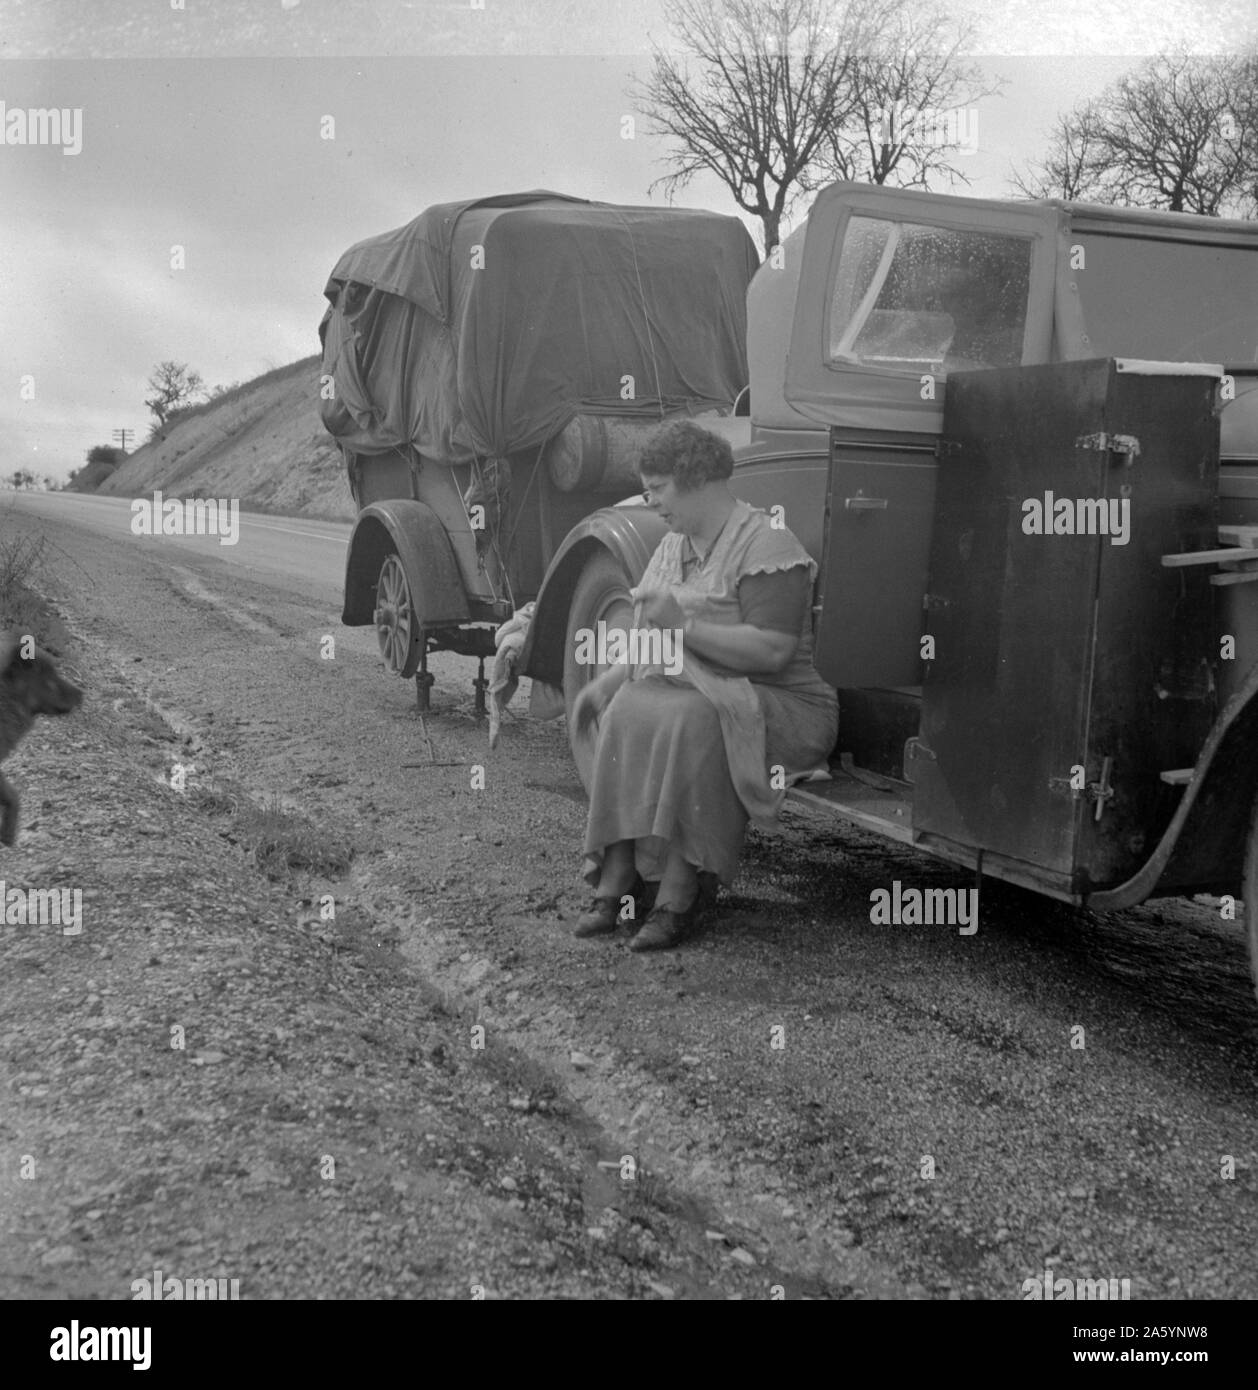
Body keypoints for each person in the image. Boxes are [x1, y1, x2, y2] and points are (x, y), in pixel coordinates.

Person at [570, 420, 839, 951]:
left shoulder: (766, 543)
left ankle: (682, 890)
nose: (651, 502)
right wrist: (604, 686)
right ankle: (620, 875)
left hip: (785, 706)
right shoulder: (675, 546)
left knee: (692, 717)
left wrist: (684, 627)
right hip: (716, 691)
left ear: (696, 481)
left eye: (659, 488)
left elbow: (772, 650)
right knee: (630, 705)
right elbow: (652, 634)